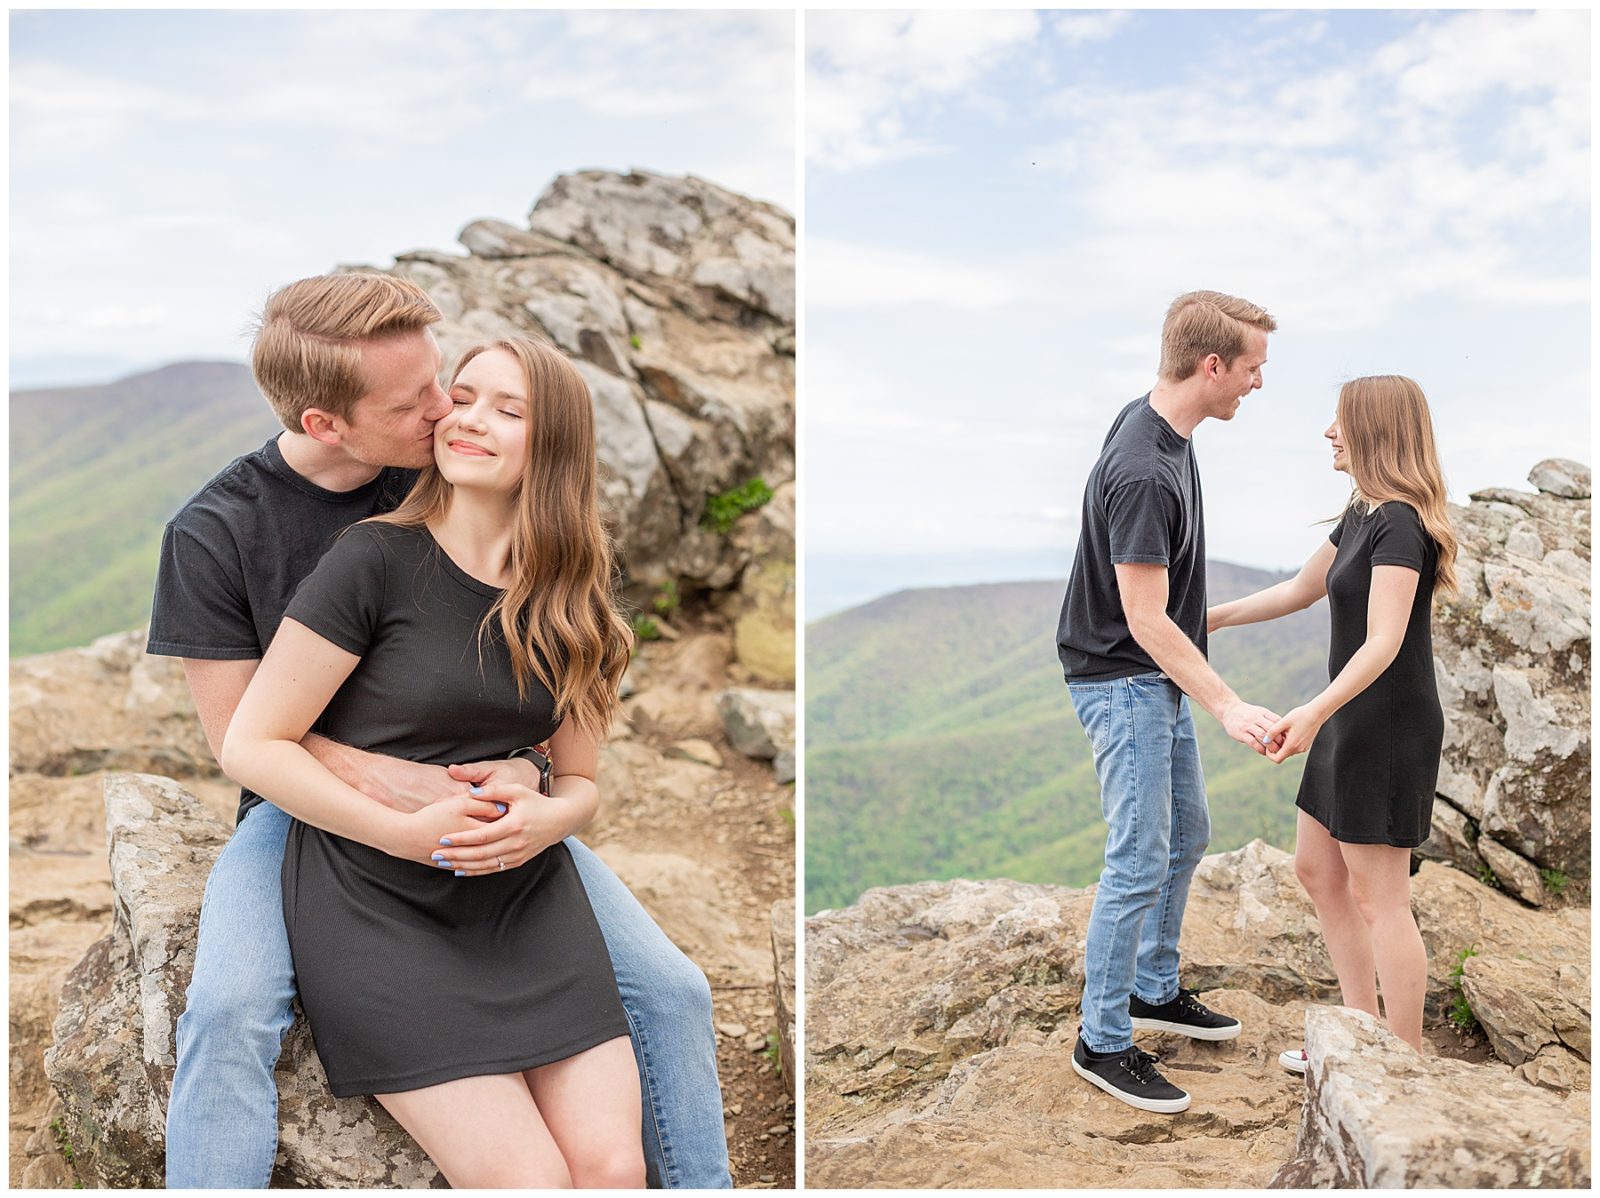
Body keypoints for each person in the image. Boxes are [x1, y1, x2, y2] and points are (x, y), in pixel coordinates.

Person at [149, 273, 731, 1188]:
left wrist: (532, 779)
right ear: (325, 425)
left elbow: (521, 654)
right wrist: (393, 790)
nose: (440, 411)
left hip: (482, 813)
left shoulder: (456, 468)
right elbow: (245, 742)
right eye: (419, 399)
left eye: (443, 384)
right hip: (313, 812)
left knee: (671, 991)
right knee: (228, 1007)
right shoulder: (220, 534)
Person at [221, 335, 641, 1186]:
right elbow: (251, 744)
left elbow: (583, 779)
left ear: (551, 444)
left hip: (526, 900)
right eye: (465, 394)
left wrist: (545, 815)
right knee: (531, 1182)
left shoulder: (574, 591)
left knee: (611, 1170)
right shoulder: (372, 560)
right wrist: (401, 834)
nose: (468, 419)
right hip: (376, 903)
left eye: (508, 409)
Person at [1055, 290, 1280, 1115]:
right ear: (1212, 364)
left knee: (1189, 833)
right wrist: (1228, 705)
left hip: (1146, 668)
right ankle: (1102, 1038)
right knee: (1139, 856)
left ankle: (1152, 986)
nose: (1259, 382)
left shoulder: (1162, 424)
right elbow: (1144, 619)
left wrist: (1206, 619)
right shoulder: (1146, 469)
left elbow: (1159, 603)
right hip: (1123, 679)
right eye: (1253, 367)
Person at [1208, 375, 1456, 1070]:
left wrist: (1313, 713)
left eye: (1339, 421)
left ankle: (1400, 1065)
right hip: (1349, 717)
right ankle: (1359, 1032)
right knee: (1318, 872)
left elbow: (1383, 643)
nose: (1328, 433)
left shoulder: (1402, 524)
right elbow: (1298, 588)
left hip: (1384, 727)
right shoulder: (1364, 512)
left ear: (1373, 430)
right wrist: (1212, 618)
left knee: (1384, 899)